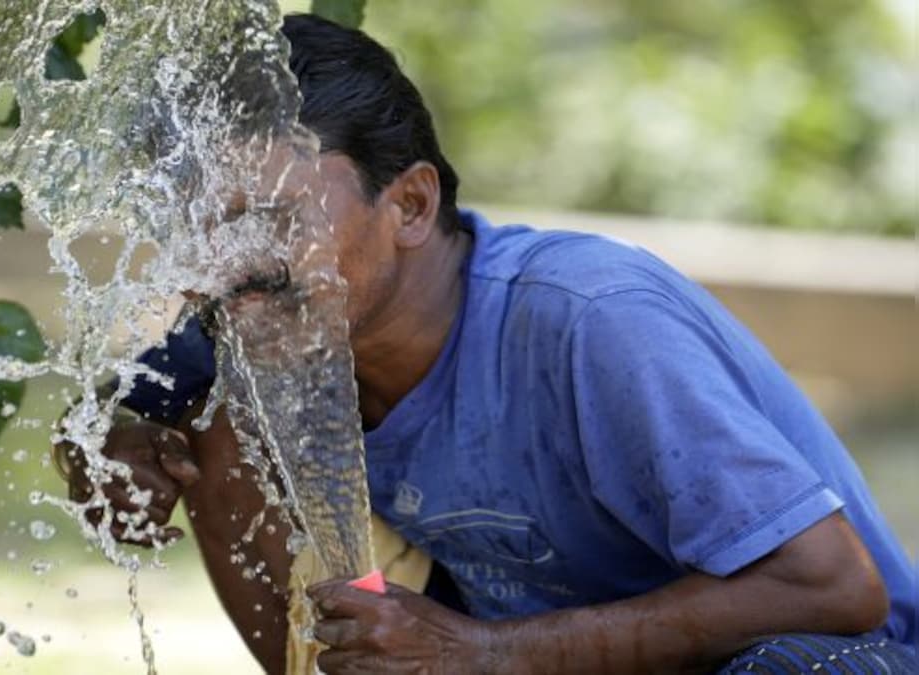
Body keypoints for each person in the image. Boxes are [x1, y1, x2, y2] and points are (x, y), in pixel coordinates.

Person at [56, 13, 918, 674]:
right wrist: (108, 446)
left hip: (825, 656)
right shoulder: (255, 312)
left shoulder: (589, 318)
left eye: (280, 220)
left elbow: (833, 590)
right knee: (206, 424)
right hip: (511, 650)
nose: (230, 262)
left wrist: (485, 653)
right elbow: (129, 401)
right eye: (205, 229)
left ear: (412, 207)